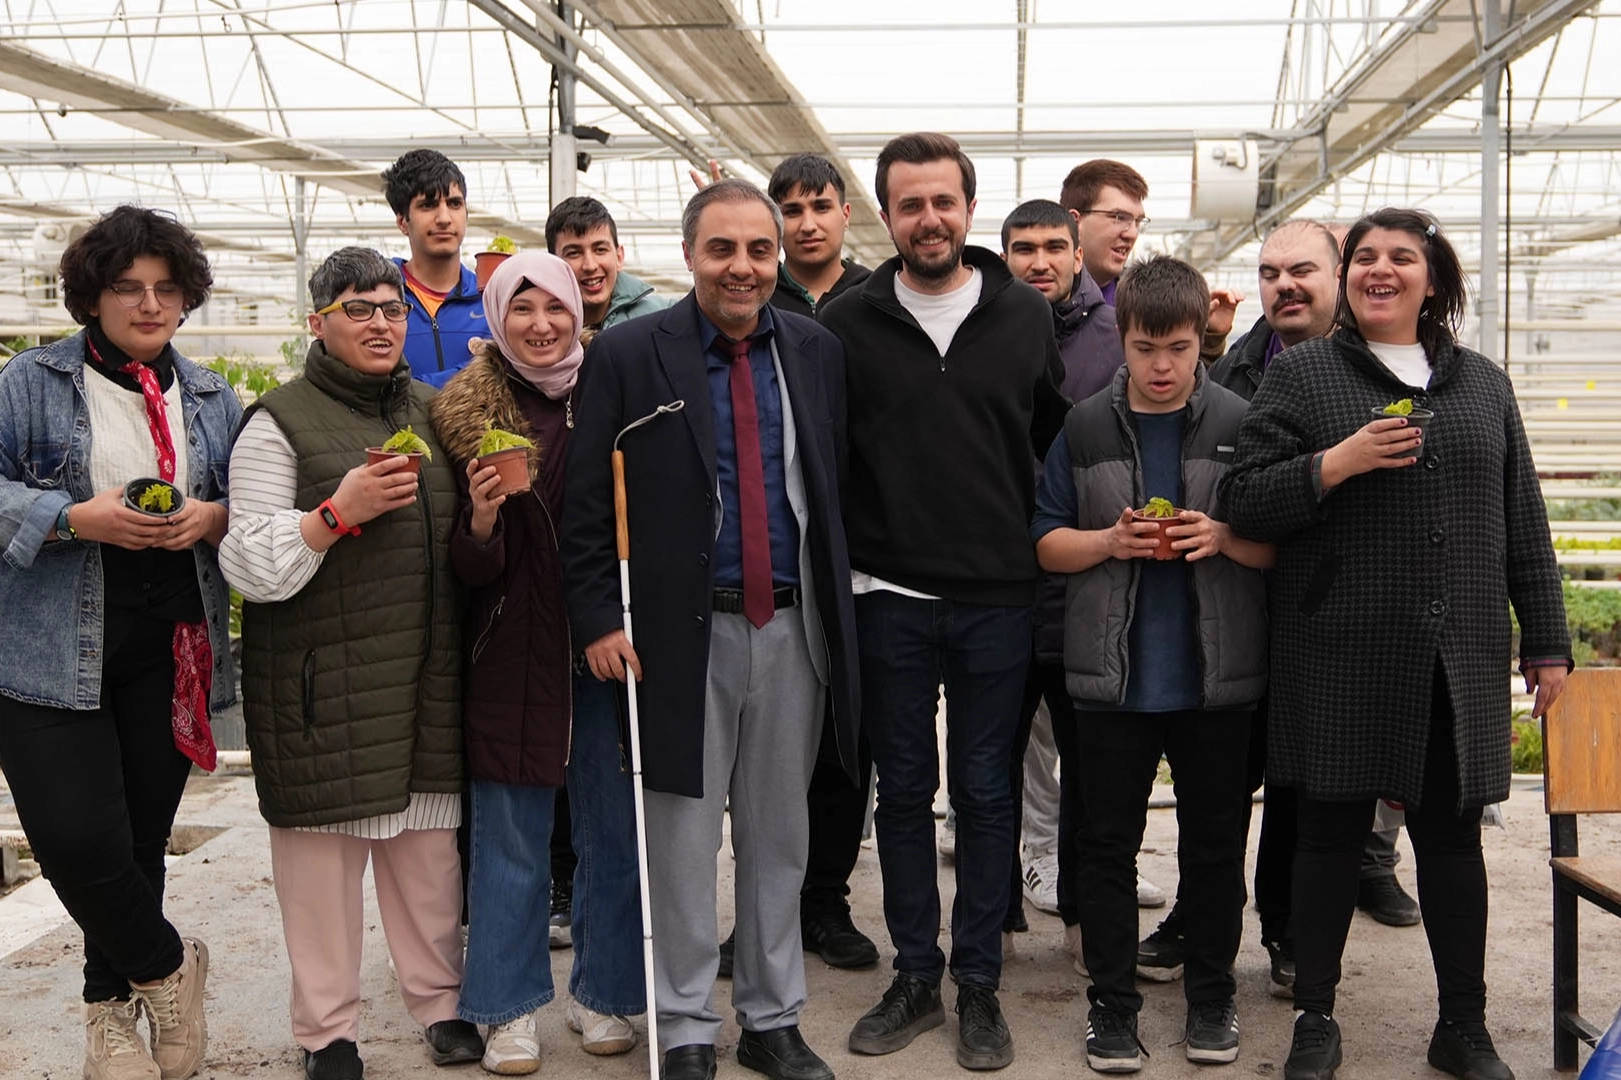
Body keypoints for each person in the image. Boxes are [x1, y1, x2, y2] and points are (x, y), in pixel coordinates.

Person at [1221, 208, 1571, 1080]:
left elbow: (1521, 518)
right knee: (1327, 837)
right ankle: (1314, 1019)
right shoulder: (1304, 374)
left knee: (1452, 842)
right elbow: (1244, 500)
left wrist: (1546, 640)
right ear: (1345, 279)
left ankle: (1462, 1027)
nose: (1380, 269)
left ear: (1432, 277)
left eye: (1401, 257)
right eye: (1364, 257)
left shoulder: (1482, 383)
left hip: (1456, 653)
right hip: (1339, 645)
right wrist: (1333, 464)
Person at [562, 177, 860, 1080]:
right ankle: (686, 1024)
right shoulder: (628, 354)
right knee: (682, 842)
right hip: (674, 642)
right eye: (722, 249)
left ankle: (772, 1019)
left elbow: (830, 488)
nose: (742, 267)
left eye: (759, 250)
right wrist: (596, 619)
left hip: (793, 632)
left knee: (780, 839)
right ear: (689, 254)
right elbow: (585, 501)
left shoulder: (813, 350)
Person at [820, 132, 1069, 1073]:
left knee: (985, 790)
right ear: (886, 215)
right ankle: (914, 975)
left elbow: (1047, 436)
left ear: (968, 208)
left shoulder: (1023, 315)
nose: (929, 219)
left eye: (943, 202)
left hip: (996, 595)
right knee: (902, 791)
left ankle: (978, 984)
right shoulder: (847, 321)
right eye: (910, 204)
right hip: (884, 591)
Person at [219, 247, 482, 1080]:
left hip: (423, 684)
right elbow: (249, 563)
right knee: (319, 877)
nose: (379, 324)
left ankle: (439, 1004)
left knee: (429, 865)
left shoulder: (438, 412)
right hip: (321, 693)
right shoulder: (278, 421)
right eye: (357, 309)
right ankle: (327, 1032)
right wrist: (336, 512)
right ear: (318, 322)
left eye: (392, 309)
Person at [1142, 219, 1419, 993]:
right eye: (1269, 273)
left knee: (1305, 790)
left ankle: (1289, 930)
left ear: (1338, 277)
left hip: (1330, 617)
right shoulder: (1231, 369)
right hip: (1236, 612)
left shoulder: (1378, 370)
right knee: (1220, 787)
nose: (1283, 285)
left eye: (1301, 270)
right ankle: (1198, 915)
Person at [0, 205, 236, 1080]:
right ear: (92, 296)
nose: (149, 305)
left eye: (166, 289)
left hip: (170, 642)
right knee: (72, 839)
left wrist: (212, 516)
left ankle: (114, 1021)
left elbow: (249, 504)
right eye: (128, 288)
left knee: (137, 841)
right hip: (48, 641)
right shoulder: (31, 381)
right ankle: (169, 968)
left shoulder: (209, 396)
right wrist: (71, 517)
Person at [1032, 255, 1272, 1073]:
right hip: (1112, 678)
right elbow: (1045, 542)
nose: (1161, 366)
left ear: (1202, 337)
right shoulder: (1083, 427)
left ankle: (1210, 997)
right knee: (1105, 848)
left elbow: (1280, 545)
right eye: (1144, 348)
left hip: (1217, 679)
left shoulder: (1241, 420)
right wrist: (1110, 540)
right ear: (1122, 338)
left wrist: (1222, 537)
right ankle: (1111, 1006)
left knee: (1214, 848)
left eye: (1177, 348)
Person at [428, 252, 645, 1073]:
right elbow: (462, 566)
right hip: (511, 643)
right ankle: (506, 1007)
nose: (542, 324)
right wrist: (483, 521)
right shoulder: (463, 413)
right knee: (510, 833)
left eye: (554, 307)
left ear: (578, 313)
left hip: (605, 639)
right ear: (495, 318)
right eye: (521, 310)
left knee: (610, 826)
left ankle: (605, 994)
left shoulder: (615, 396)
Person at [998, 199, 1128, 968]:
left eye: (1053, 247)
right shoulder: (982, 332)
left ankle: (1085, 918)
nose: (1039, 261)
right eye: (1023, 248)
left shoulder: (1116, 339)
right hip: (1000, 592)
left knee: (1091, 773)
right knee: (990, 768)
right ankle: (996, 918)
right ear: (1005, 257)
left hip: (1089, 592)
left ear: (1078, 255)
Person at [1059, 159, 1239, 365]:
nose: (1132, 233)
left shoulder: (1146, 299)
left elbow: (1178, 379)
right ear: (1075, 221)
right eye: (1119, 217)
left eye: (1138, 221)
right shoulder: (1040, 301)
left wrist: (1210, 338)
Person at [383, 149, 486, 386]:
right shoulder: (379, 304)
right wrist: (478, 372)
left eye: (454, 204)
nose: (444, 218)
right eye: (428, 205)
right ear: (402, 221)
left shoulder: (491, 301)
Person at [545, 195, 671, 337]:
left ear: (619, 257)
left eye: (600, 250)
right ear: (553, 264)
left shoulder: (663, 317)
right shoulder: (539, 330)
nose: (590, 266)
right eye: (574, 253)